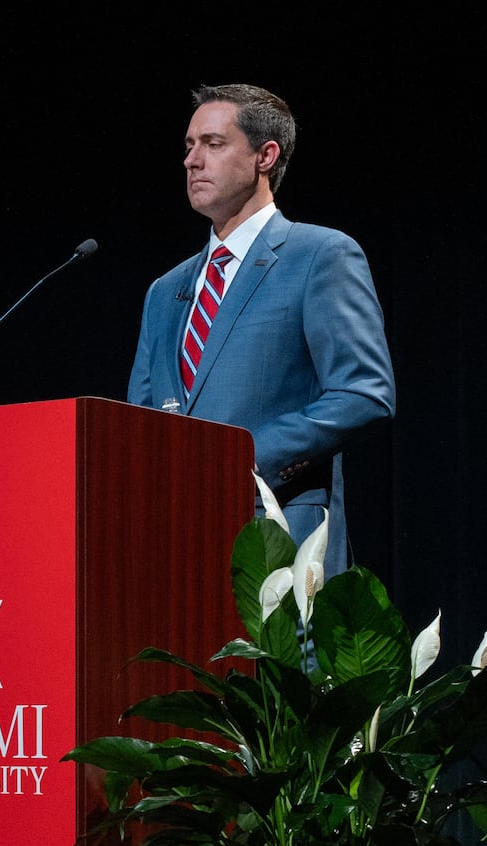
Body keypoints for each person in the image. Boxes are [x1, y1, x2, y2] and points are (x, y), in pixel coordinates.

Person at [128, 84, 396, 575]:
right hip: (172, 549)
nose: (192, 161)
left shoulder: (319, 255)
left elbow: (364, 393)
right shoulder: (164, 291)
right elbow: (140, 424)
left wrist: (240, 461)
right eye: (189, 146)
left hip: (277, 538)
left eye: (213, 144)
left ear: (265, 155)